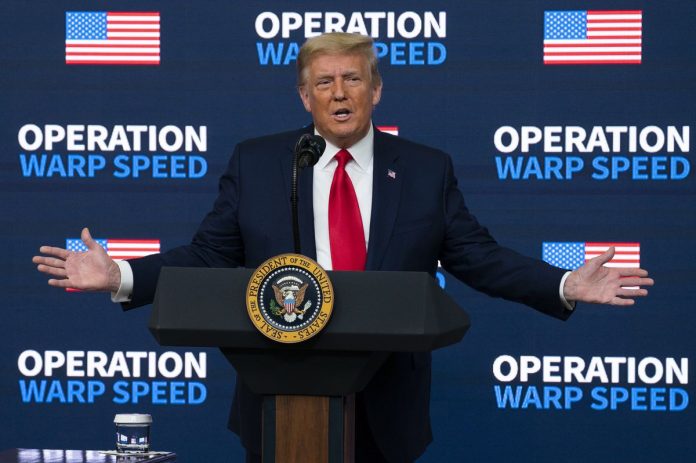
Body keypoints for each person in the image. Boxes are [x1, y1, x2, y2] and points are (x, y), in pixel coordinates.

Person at [33, 32, 653, 462]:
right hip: (278, 392)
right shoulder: (259, 163)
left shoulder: (425, 169)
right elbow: (208, 255)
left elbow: (475, 254)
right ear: (304, 97)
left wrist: (563, 283)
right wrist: (121, 276)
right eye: (324, 82)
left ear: (375, 90)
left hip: (386, 399)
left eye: (353, 79)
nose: (339, 93)